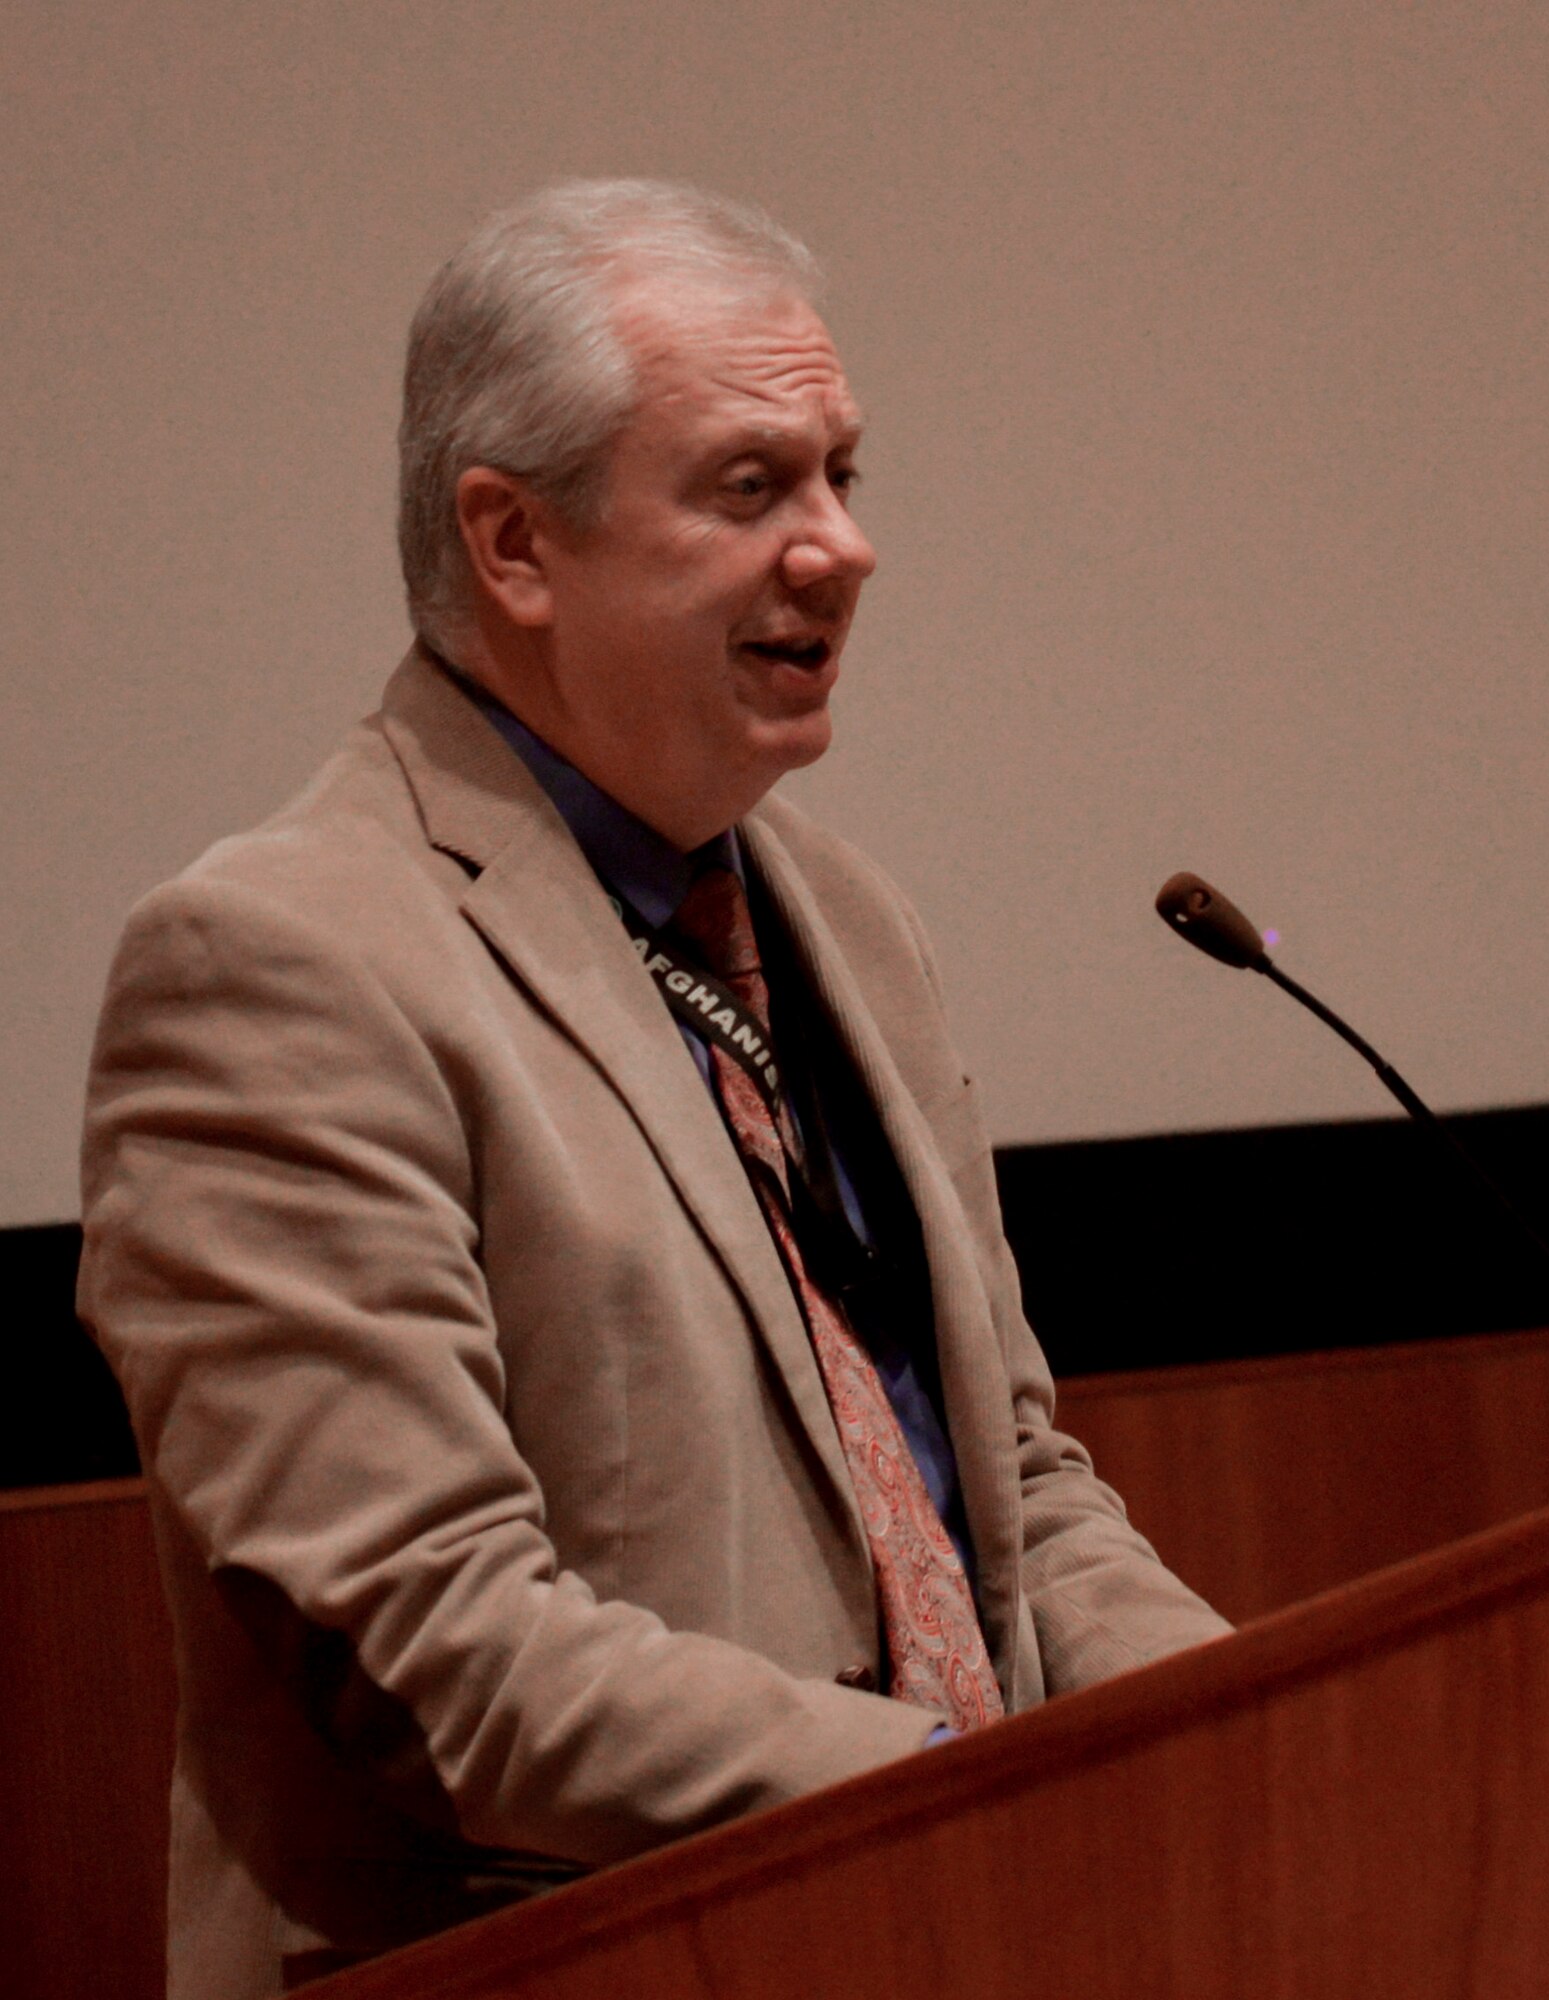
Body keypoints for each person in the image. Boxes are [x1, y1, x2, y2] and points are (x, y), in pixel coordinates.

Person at [79, 179, 1228, 1999]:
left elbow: (1006, 1483)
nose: (841, 546)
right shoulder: (280, 964)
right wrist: (970, 1789)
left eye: (845, 473)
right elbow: (437, 1651)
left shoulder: (847, 919)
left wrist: (1239, 1735)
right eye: (751, 487)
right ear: (513, 544)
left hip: (955, 1917)